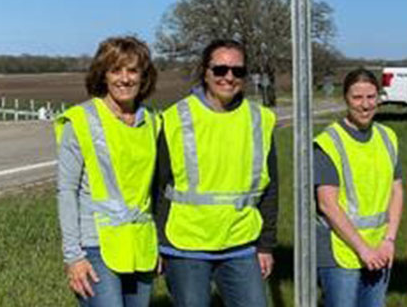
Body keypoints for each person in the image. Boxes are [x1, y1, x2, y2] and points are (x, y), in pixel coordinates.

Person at [155, 40, 277, 307]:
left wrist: (266, 245)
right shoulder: (175, 117)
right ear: (205, 72)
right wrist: (159, 242)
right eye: (220, 69)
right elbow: (159, 185)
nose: (229, 77)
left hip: (242, 243)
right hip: (186, 244)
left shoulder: (260, 119)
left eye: (237, 71)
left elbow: (270, 188)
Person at [55, 36, 159, 306]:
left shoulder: (153, 122)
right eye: (116, 70)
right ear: (103, 76)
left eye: (133, 70)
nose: (125, 79)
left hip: (141, 246)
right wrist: (73, 257)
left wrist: (158, 243)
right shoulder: (80, 121)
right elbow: (66, 191)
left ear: (143, 76)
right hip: (95, 245)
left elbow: (156, 190)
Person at [314, 68, 403, 307]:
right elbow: (327, 205)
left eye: (371, 97)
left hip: (379, 247)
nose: (365, 105)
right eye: (357, 98)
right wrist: (363, 250)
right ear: (346, 99)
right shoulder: (329, 142)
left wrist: (389, 241)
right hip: (340, 252)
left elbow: (397, 191)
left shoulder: (388, 137)